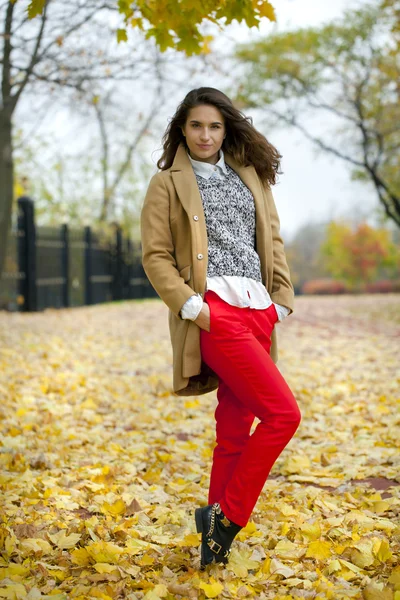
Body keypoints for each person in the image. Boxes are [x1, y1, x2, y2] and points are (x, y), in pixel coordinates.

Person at [140, 87, 301, 570]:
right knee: (283, 415)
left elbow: (271, 237)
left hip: (258, 311)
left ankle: (213, 550)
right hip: (215, 314)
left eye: (214, 126)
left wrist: (282, 303)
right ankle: (228, 518)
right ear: (182, 130)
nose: (205, 134)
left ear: (226, 129)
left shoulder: (250, 176)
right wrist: (193, 307)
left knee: (234, 431)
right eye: (196, 126)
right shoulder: (167, 183)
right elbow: (156, 256)